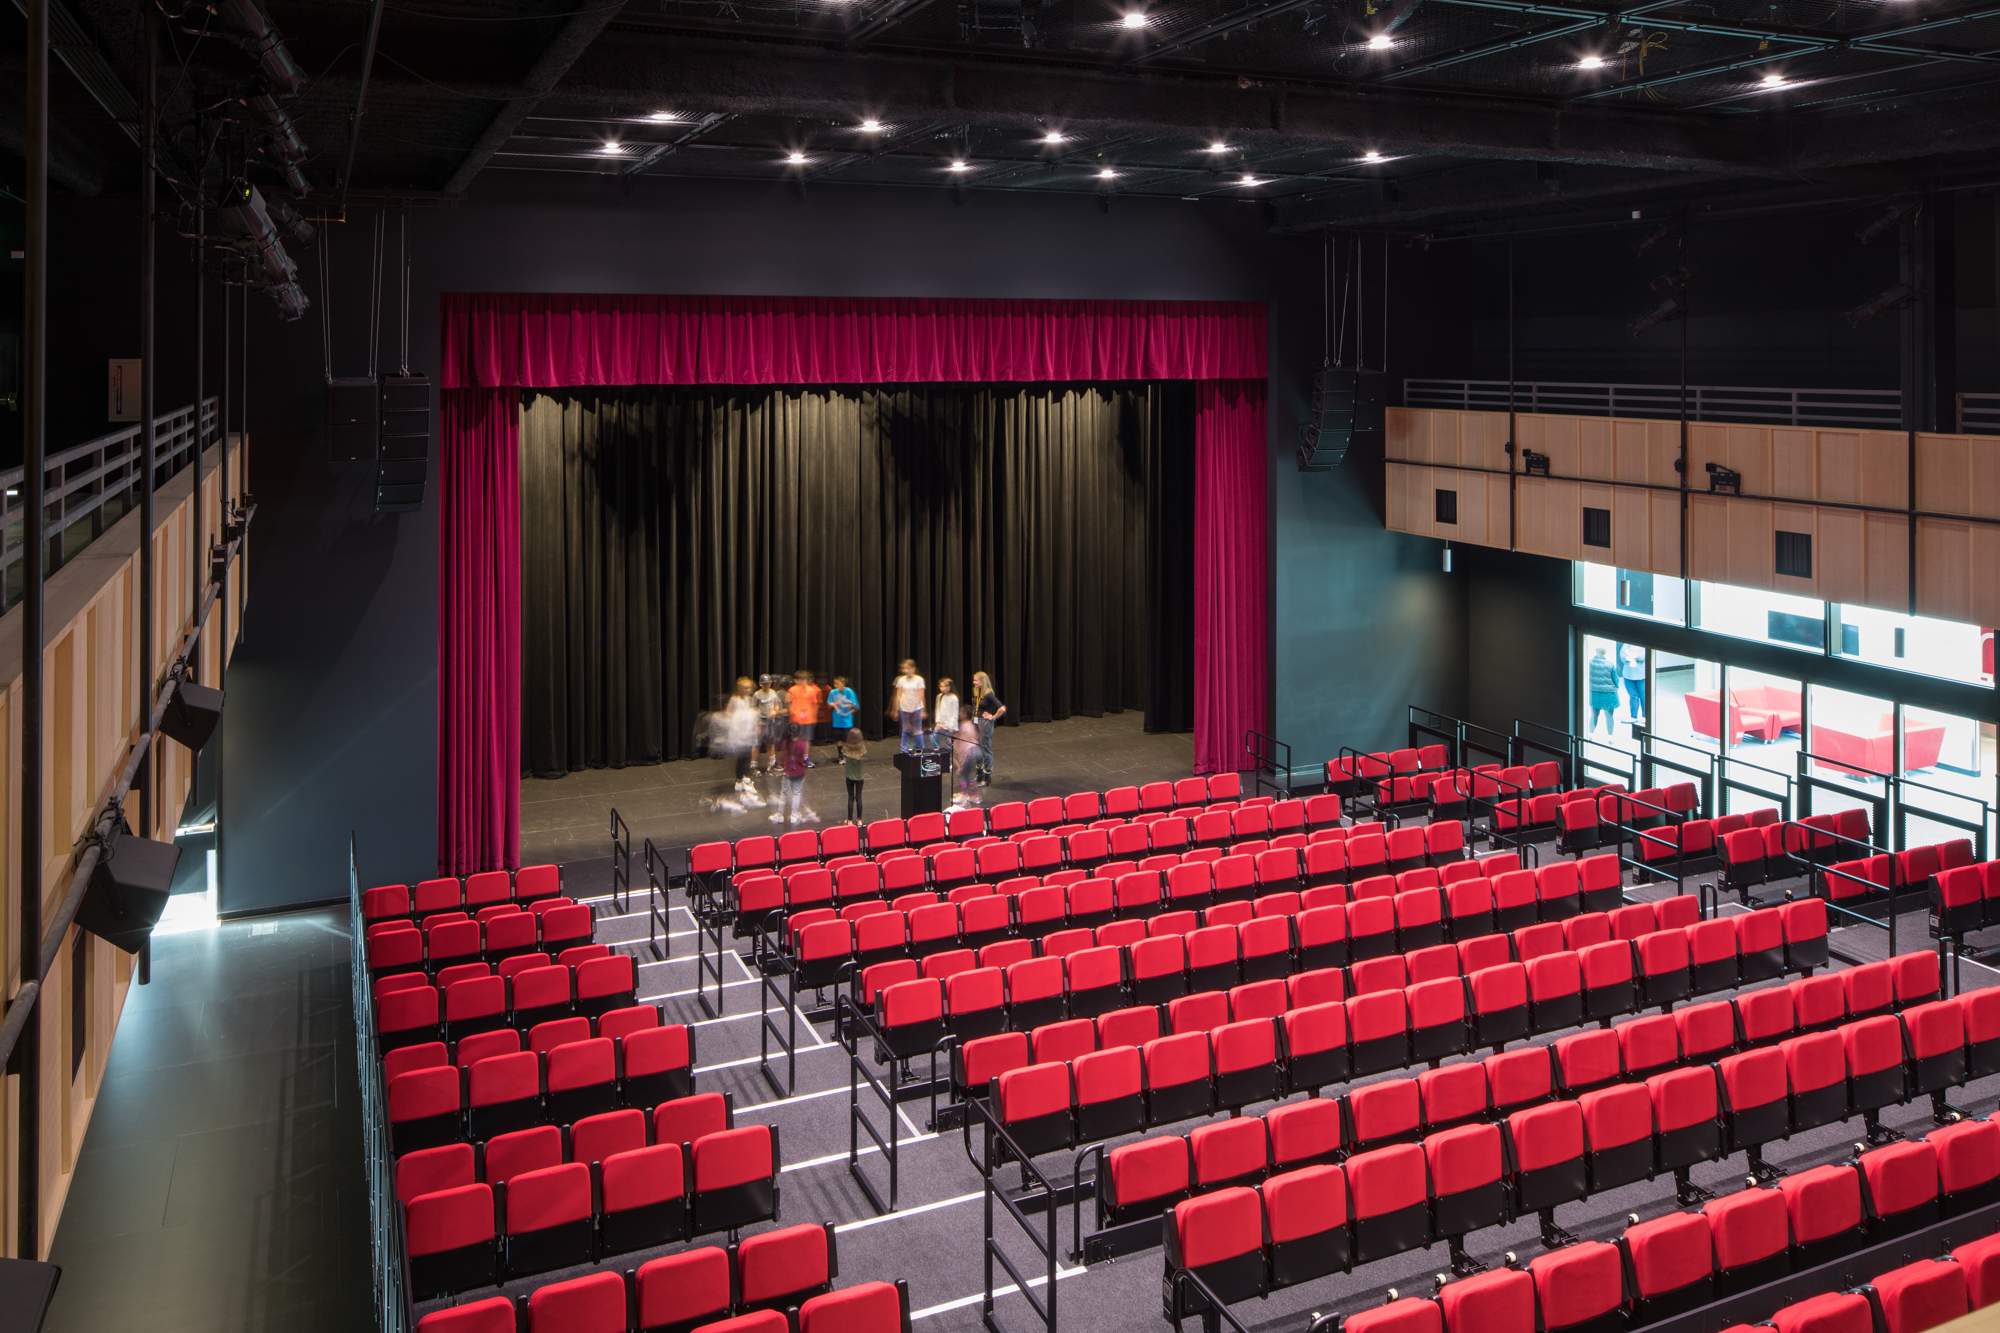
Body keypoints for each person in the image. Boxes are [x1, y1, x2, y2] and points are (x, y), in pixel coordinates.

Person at [715, 677, 764, 811]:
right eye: (745, 688)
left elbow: (751, 713)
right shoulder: (735, 700)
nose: (748, 690)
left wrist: (755, 724)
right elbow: (730, 715)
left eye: (749, 688)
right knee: (742, 756)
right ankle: (739, 780)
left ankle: (743, 777)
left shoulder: (749, 699)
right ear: (740, 688)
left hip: (747, 732)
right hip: (739, 732)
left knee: (747, 755)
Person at [775, 726, 817, 824]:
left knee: (783, 793)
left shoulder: (785, 744)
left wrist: (784, 767)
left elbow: (782, 759)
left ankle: (780, 815)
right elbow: (806, 760)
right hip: (799, 773)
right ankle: (794, 816)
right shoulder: (803, 745)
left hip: (787, 773)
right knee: (796, 794)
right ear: (799, 732)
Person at [971, 670, 1005, 786]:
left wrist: (993, 717)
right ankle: (979, 772)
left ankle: (987, 775)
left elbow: (1002, 708)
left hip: (984, 723)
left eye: (976, 680)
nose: (974, 682)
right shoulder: (978, 692)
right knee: (977, 748)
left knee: (985, 748)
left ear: (982, 681)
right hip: (975, 722)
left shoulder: (988, 694)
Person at [893, 660, 926, 753]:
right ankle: (903, 750)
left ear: (913, 669)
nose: (905, 670)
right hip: (904, 708)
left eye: (907, 668)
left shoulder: (919, 680)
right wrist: (897, 709)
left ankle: (921, 748)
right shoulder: (901, 680)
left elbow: (921, 695)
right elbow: (898, 695)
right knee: (906, 729)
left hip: (916, 708)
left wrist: (917, 707)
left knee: (917, 729)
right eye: (904, 668)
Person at [1587, 646, 1620, 738]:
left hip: (1594, 692)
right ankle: (1610, 737)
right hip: (1608, 693)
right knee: (1609, 716)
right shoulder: (1610, 664)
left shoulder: (1589, 663)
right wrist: (1616, 687)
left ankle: (1590, 735)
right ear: (1604, 653)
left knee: (1594, 715)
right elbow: (1616, 679)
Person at [753, 674, 784, 772]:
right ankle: (753, 765)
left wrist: (775, 710)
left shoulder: (773, 693)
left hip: (770, 722)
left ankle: (771, 763)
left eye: (768, 684)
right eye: (764, 684)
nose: (766, 686)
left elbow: (777, 705)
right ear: (760, 684)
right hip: (761, 721)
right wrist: (756, 723)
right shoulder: (757, 694)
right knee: (757, 743)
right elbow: (753, 708)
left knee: (771, 743)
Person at [952, 711, 982, 807]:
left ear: (965, 714)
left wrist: (962, 761)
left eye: (962, 711)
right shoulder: (970, 724)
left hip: (968, 752)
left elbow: (964, 743)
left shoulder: (964, 726)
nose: (960, 713)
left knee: (963, 774)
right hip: (975, 750)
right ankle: (975, 796)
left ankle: (964, 799)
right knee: (970, 774)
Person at [787, 669, 823, 740]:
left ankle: (806, 751)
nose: (802, 682)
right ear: (796, 680)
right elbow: (788, 703)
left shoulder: (811, 690)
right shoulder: (791, 690)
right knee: (795, 739)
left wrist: (814, 718)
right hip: (795, 719)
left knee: (807, 739)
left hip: (808, 719)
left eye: (804, 680)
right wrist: (792, 712)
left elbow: (814, 705)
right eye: (800, 680)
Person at [841, 728, 867, 824]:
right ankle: (859, 819)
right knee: (859, 797)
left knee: (850, 798)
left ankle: (850, 820)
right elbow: (864, 753)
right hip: (859, 777)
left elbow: (844, 754)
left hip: (849, 777)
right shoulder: (862, 749)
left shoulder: (845, 749)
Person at [1618, 643, 1647, 726]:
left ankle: (1645, 717)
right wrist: (1634, 656)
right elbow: (1622, 656)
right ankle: (1633, 717)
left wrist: (1629, 655)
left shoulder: (1643, 645)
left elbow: (1642, 657)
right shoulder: (1626, 644)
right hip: (1628, 675)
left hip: (1641, 676)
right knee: (1633, 696)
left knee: (1643, 696)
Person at [827, 675, 858, 741]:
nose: (835, 686)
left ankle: (849, 750)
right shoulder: (832, 692)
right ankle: (840, 751)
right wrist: (835, 704)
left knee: (848, 737)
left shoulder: (849, 691)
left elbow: (854, 705)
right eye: (834, 683)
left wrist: (846, 707)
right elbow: (829, 704)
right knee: (838, 738)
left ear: (843, 683)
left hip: (847, 720)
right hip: (837, 719)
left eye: (838, 684)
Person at [934, 678, 960, 749]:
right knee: (932, 738)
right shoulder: (939, 696)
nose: (941, 688)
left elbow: (955, 713)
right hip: (941, 724)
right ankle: (939, 751)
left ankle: (949, 755)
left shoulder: (954, 698)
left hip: (949, 726)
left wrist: (951, 727)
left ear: (948, 687)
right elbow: (938, 709)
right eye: (940, 686)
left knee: (948, 742)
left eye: (943, 686)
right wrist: (938, 722)